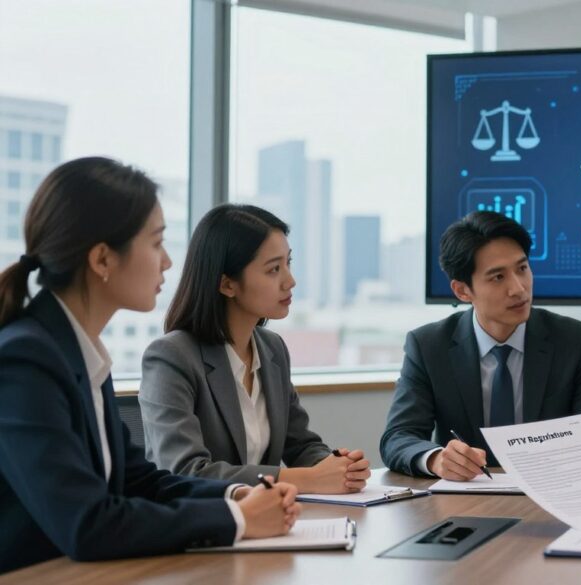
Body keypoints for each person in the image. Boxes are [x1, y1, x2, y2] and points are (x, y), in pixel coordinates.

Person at [0, 158, 300, 574]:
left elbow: (139, 481)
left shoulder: (79, 353)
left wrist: (235, 497)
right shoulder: (26, 360)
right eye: (157, 243)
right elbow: (87, 523)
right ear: (103, 260)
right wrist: (239, 521)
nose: (168, 263)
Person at [139, 204, 370, 493]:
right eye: (274, 269)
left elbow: (300, 445)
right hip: (201, 527)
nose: (290, 280)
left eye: (288, 263)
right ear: (227, 284)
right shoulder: (171, 357)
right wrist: (309, 480)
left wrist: (338, 468)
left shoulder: (272, 349)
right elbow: (186, 472)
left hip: (266, 523)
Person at [380, 211, 581, 479]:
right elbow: (398, 437)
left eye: (522, 268)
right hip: (467, 502)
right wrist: (437, 459)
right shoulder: (428, 346)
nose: (518, 288)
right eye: (498, 277)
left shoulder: (574, 340)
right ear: (462, 290)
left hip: (553, 493)